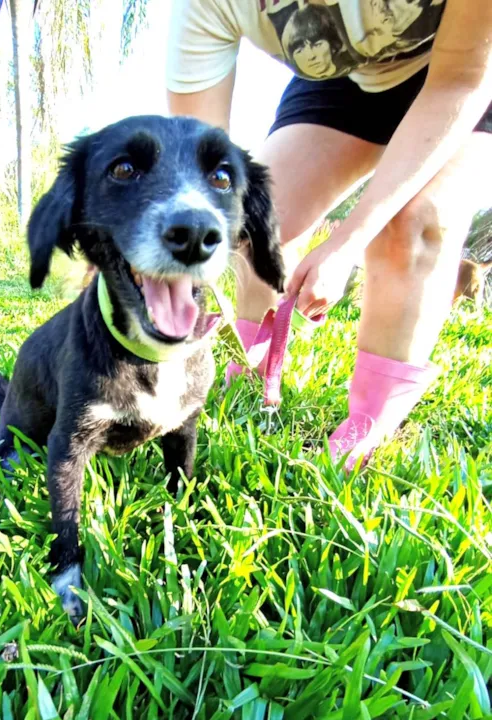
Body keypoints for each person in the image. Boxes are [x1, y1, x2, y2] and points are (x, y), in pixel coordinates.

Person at [167, 0, 492, 468]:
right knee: (253, 220)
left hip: (461, 68)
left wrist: (348, 242)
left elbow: (461, 80)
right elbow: (198, 180)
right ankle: (248, 367)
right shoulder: (203, 7)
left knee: (413, 222)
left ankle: (369, 424)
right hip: (344, 79)